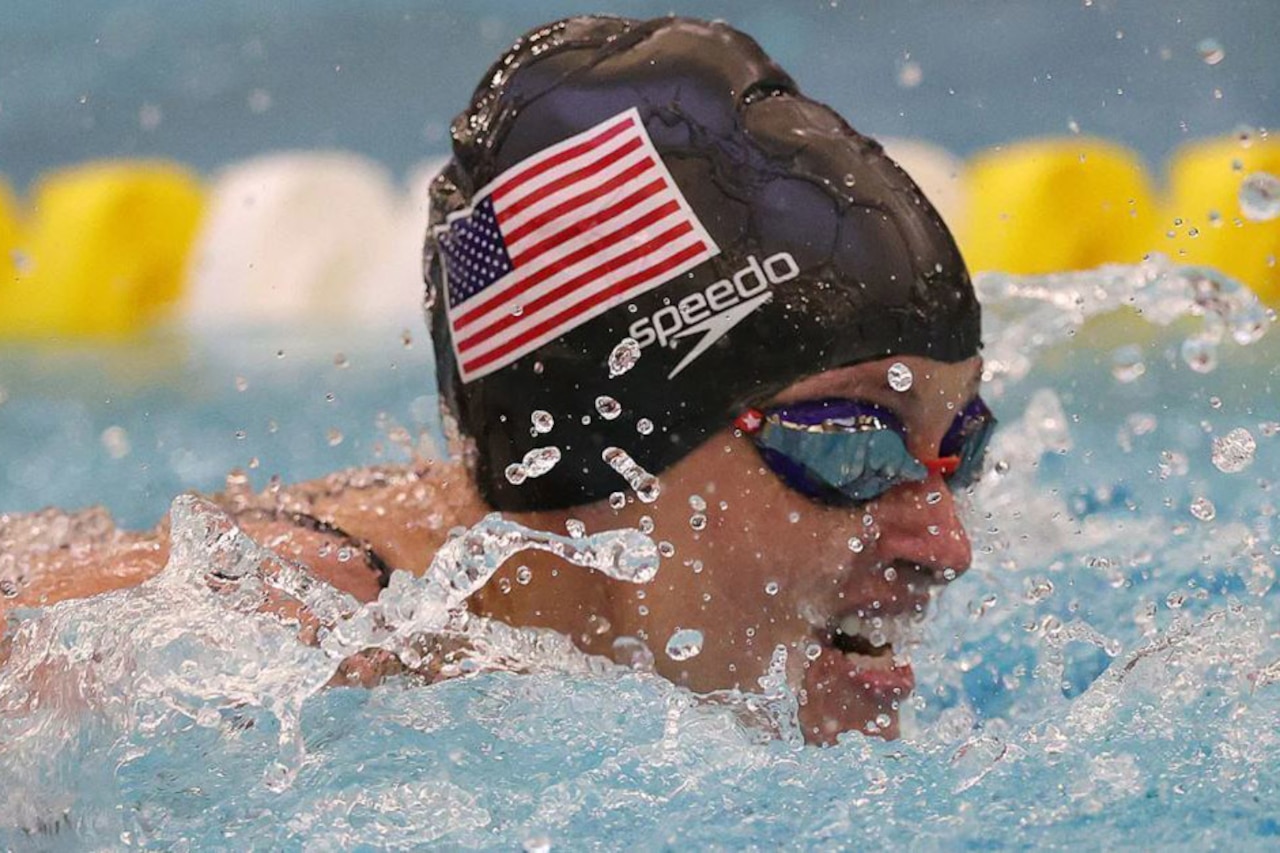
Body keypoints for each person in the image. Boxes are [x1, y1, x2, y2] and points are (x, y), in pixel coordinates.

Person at [0, 15, 990, 745]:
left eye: (961, 441)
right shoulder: (279, 629)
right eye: (849, 444)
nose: (945, 545)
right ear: (611, 456)